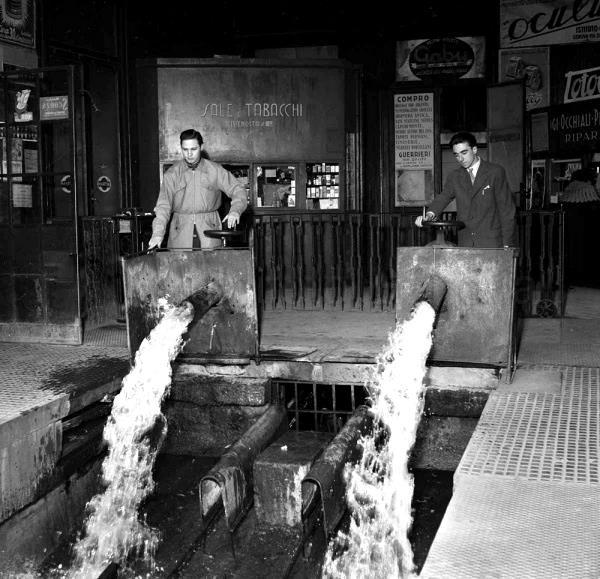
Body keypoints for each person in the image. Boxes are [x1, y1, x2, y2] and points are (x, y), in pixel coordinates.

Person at [148, 129, 248, 250]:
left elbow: (238, 189)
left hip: (210, 234)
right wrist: (157, 234)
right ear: (181, 148)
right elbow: (163, 206)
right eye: (185, 150)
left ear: (201, 147)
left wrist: (235, 210)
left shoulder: (215, 170)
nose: (189, 154)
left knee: (211, 267)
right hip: (180, 235)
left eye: (193, 149)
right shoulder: (172, 174)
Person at [415, 131, 517, 248]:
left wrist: (508, 244)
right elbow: (443, 197)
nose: (460, 158)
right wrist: (428, 215)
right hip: (466, 243)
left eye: (464, 152)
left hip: (492, 242)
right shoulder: (455, 176)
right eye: (456, 155)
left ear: (474, 150)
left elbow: (507, 211)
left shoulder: (495, 172)